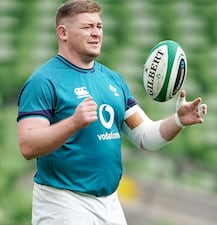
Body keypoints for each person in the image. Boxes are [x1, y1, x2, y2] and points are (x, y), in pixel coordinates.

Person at [16, 0, 207, 224]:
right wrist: (73, 122)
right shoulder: (43, 81)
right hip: (63, 202)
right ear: (63, 32)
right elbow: (28, 145)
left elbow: (145, 137)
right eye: (87, 27)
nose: (96, 33)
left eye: (99, 27)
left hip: (109, 203)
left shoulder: (113, 80)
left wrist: (178, 120)